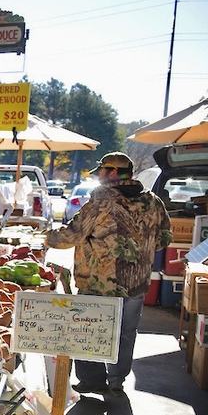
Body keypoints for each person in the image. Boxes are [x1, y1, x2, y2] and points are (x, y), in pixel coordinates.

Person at [46, 152, 172, 395]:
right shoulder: (153, 202)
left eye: (102, 170)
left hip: (98, 282)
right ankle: (116, 380)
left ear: (113, 172)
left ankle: (92, 381)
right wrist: (139, 251)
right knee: (125, 333)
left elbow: (72, 235)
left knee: (89, 330)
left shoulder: (101, 200)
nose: (100, 176)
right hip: (135, 283)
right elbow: (164, 239)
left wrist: (47, 237)